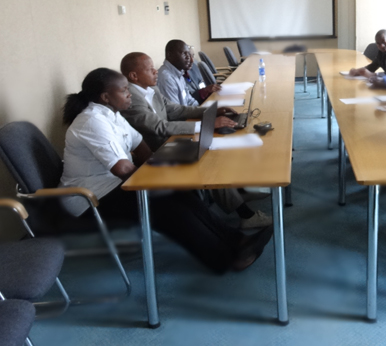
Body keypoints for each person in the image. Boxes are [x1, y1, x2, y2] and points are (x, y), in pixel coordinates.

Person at [59, 68, 273, 273]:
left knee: (180, 191)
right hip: (91, 201)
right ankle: (225, 258)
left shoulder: (113, 115)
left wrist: (163, 167)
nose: (129, 94)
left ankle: (237, 240)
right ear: (106, 97)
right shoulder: (92, 121)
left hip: (114, 187)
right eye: (124, 90)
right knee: (167, 207)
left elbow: (140, 145)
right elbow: (122, 168)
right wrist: (158, 179)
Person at [120, 53, 272, 229]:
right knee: (208, 160)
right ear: (134, 76)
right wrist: (206, 124)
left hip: (172, 140)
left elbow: (175, 110)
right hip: (158, 150)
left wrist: (211, 111)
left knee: (214, 146)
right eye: (150, 69)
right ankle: (246, 215)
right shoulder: (132, 99)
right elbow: (159, 127)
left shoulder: (151, 89)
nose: (156, 71)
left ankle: (239, 192)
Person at [158, 39, 219, 106]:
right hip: (183, 112)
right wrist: (201, 111)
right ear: (170, 55)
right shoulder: (166, 78)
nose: (188, 57)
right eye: (184, 53)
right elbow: (175, 110)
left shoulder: (179, 73)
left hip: (188, 111)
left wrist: (202, 109)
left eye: (188, 54)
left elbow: (190, 100)